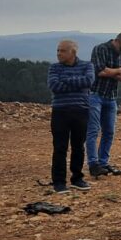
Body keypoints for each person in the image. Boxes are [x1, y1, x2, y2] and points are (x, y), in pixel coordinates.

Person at [47, 39, 95, 194]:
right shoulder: (54, 68)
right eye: (58, 50)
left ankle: (77, 178)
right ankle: (59, 182)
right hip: (60, 112)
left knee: (78, 146)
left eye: (62, 51)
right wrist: (78, 84)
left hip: (80, 111)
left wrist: (66, 81)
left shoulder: (87, 65)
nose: (58, 54)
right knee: (60, 147)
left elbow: (89, 81)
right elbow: (54, 86)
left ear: (73, 52)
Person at [86, 32, 121, 177]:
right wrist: (118, 70)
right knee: (93, 130)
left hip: (111, 97)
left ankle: (103, 163)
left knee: (109, 131)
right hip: (95, 94)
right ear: (117, 41)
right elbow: (99, 71)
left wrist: (110, 71)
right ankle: (93, 164)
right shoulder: (100, 49)